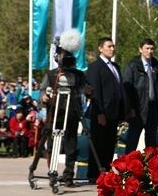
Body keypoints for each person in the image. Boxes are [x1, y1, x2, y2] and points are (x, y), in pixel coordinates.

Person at [34, 29, 90, 186]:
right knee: (52, 144)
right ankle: (52, 171)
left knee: (71, 144)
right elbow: (42, 91)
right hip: (55, 113)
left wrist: (88, 90)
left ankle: (68, 174)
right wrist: (44, 97)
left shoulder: (79, 75)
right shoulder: (52, 75)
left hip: (72, 113)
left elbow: (86, 89)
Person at [86, 37, 127, 181]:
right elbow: (95, 91)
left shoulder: (115, 67)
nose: (112, 49)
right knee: (98, 144)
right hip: (101, 112)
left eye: (113, 46)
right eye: (109, 46)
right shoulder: (95, 67)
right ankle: (94, 174)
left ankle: (106, 173)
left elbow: (119, 89)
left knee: (109, 144)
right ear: (100, 48)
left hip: (113, 112)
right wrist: (100, 113)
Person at [123, 38, 158, 153]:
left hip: (152, 108)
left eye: (152, 49)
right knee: (132, 141)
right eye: (147, 48)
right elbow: (127, 88)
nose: (149, 51)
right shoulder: (132, 66)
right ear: (140, 49)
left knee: (152, 143)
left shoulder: (157, 66)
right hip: (137, 109)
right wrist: (130, 108)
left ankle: (151, 163)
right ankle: (128, 163)